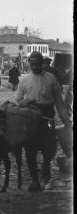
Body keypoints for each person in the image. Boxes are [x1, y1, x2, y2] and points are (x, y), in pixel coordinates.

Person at [16, 51, 71, 191]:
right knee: (30, 148)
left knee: (50, 145)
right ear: (29, 64)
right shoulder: (24, 81)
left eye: (37, 64)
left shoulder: (51, 78)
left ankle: (46, 166)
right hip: (31, 118)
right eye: (32, 64)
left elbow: (59, 101)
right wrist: (25, 102)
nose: (34, 67)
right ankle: (35, 181)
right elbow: (18, 100)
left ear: (42, 63)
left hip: (47, 117)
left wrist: (65, 119)